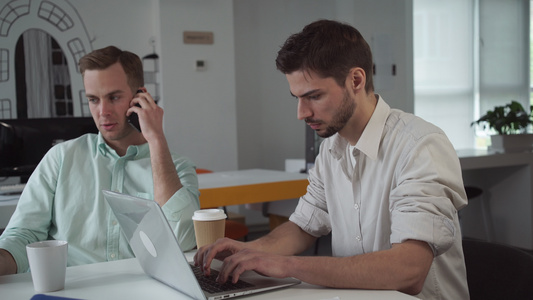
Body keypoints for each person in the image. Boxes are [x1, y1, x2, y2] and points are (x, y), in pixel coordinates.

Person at [194, 20, 469, 299]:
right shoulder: (331, 150)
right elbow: (304, 226)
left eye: (314, 96)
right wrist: (250, 251)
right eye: (297, 98)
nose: (301, 113)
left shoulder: (420, 146)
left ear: (356, 81)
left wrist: (287, 265)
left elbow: (409, 271)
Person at [0, 46, 200, 275]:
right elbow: (23, 235)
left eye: (114, 97)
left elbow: (183, 240)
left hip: (141, 291)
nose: (103, 111)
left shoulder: (178, 167)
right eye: (93, 100)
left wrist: (156, 139)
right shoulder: (60, 158)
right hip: (71, 290)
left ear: (140, 97)